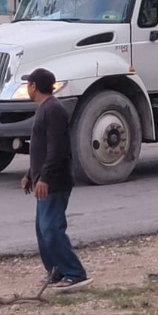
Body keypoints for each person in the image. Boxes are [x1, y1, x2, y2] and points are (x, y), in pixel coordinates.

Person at [19, 68, 91, 292]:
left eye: (28, 84)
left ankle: (75, 273)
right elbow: (41, 149)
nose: (26, 88)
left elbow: (57, 149)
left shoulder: (53, 110)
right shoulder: (44, 109)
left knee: (51, 229)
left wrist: (45, 178)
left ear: (34, 86)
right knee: (43, 230)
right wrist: (31, 175)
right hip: (43, 179)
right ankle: (55, 271)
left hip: (55, 182)